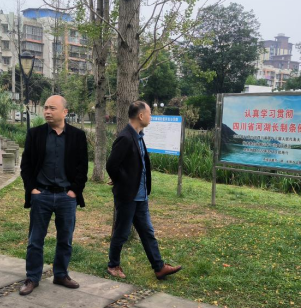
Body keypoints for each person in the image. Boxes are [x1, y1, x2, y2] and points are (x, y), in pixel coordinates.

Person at [19, 95, 88, 295]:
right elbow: (26, 165)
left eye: (52, 108)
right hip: (42, 195)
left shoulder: (77, 136)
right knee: (35, 240)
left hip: (66, 197)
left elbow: (82, 167)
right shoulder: (35, 134)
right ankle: (32, 277)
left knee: (65, 239)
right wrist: (32, 189)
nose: (47, 112)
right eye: (46, 108)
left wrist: (74, 191)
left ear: (65, 112)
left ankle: (60, 274)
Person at [106, 101, 183, 281]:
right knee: (122, 232)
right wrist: (119, 181)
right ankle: (113, 265)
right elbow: (111, 165)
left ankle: (159, 267)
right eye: (149, 113)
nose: (151, 117)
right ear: (141, 116)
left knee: (147, 232)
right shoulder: (125, 137)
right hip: (128, 196)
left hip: (141, 196)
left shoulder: (139, 137)